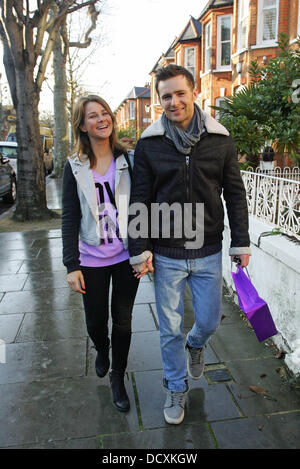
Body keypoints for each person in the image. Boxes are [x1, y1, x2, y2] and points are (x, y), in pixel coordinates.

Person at [129, 64, 251, 425]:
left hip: (209, 250)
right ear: (159, 100)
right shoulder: (149, 144)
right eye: (166, 96)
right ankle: (175, 387)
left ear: (194, 92)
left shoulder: (220, 139)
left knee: (210, 320)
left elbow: (235, 194)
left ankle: (196, 345)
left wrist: (240, 242)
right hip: (165, 255)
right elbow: (140, 198)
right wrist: (139, 248)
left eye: (180, 93)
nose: (173, 101)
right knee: (169, 328)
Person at [62, 95, 142, 412]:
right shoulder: (75, 167)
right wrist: (71, 264)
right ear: (82, 125)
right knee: (96, 321)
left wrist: (144, 250)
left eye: (105, 113)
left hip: (125, 258)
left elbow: (142, 208)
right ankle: (101, 347)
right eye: (92, 115)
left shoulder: (130, 161)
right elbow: (69, 215)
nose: (101, 119)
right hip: (90, 261)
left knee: (122, 320)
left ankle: (118, 378)